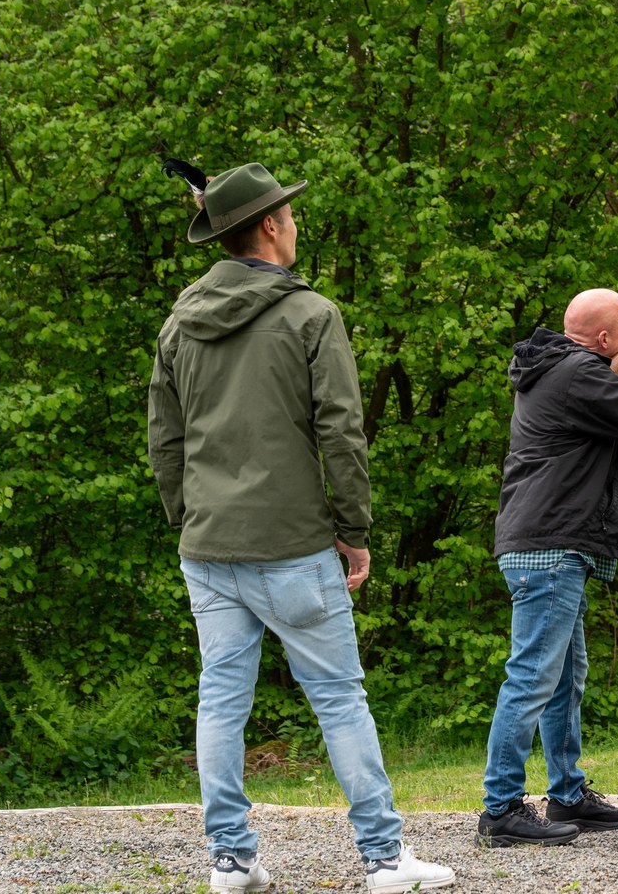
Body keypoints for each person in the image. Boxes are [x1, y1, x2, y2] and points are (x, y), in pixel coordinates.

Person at [147, 162, 454, 893]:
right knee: (339, 697)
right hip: (291, 546)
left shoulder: (180, 321)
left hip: (208, 545)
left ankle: (231, 861)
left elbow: (164, 438)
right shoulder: (311, 314)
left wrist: (187, 519)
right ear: (271, 226)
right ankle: (384, 860)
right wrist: (354, 528)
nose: (295, 222)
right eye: (289, 213)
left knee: (221, 696)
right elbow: (341, 433)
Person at [475, 289, 618, 847]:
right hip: (549, 549)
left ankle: (568, 793)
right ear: (604, 339)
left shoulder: (565, 372)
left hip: (549, 545)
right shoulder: (575, 375)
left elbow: (612, 411)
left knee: (564, 680)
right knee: (531, 680)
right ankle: (500, 811)